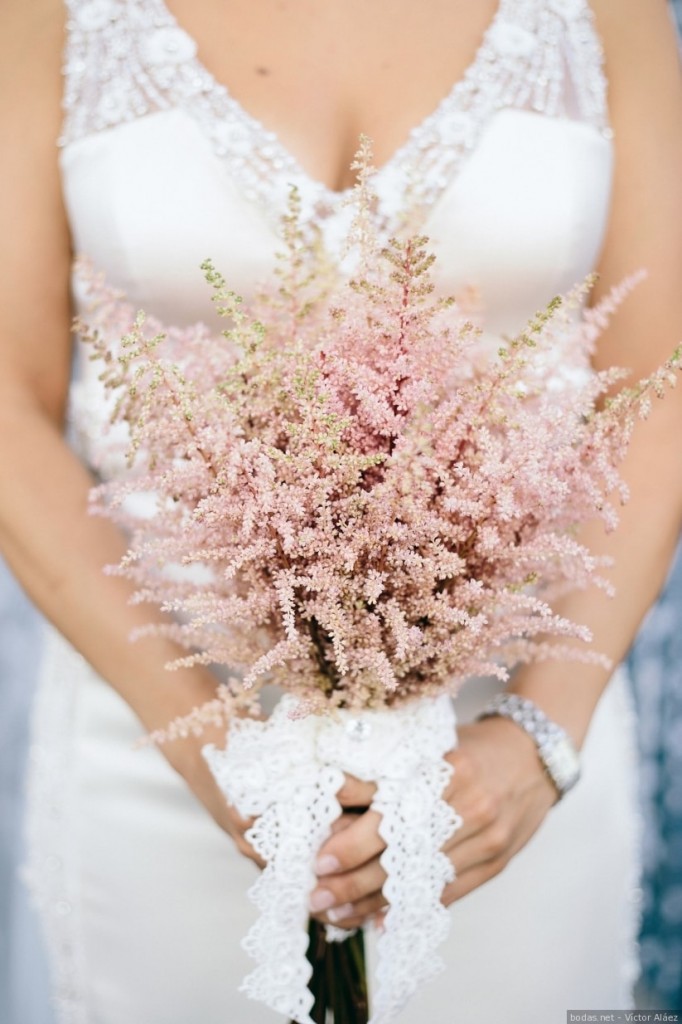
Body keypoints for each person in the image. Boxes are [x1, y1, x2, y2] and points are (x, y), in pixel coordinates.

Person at [1, 1, 681, 1021]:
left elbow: (656, 380)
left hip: (502, 780)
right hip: (157, 742)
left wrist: (540, 737)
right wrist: (217, 741)